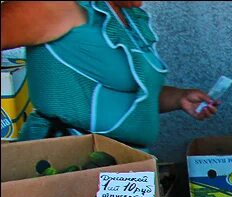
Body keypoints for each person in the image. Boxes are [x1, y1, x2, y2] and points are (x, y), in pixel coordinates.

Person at [0, 1, 217, 149]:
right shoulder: (56, 6)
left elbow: (122, 95)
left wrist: (179, 98)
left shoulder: (124, 16)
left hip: (120, 172)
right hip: (65, 165)